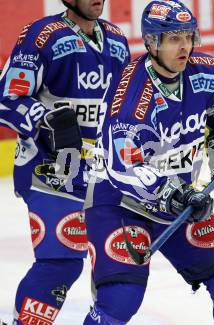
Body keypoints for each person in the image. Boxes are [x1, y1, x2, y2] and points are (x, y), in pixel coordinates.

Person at [82, 1, 214, 324]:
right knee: (120, 299)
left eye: (188, 36)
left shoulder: (208, 72)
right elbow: (124, 167)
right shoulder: (131, 94)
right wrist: (173, 192)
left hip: (177, 200)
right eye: (174, 38)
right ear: (151, 42)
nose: (185, 46)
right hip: (118, 201)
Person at [0, 0, 130, 323]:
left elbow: (121, 110)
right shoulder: (42, 36)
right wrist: (46, 119)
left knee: (114, 267)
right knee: (62, 261)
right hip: (49, 170)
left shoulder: (117, 40)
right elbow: (7, 97)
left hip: (98, 174)